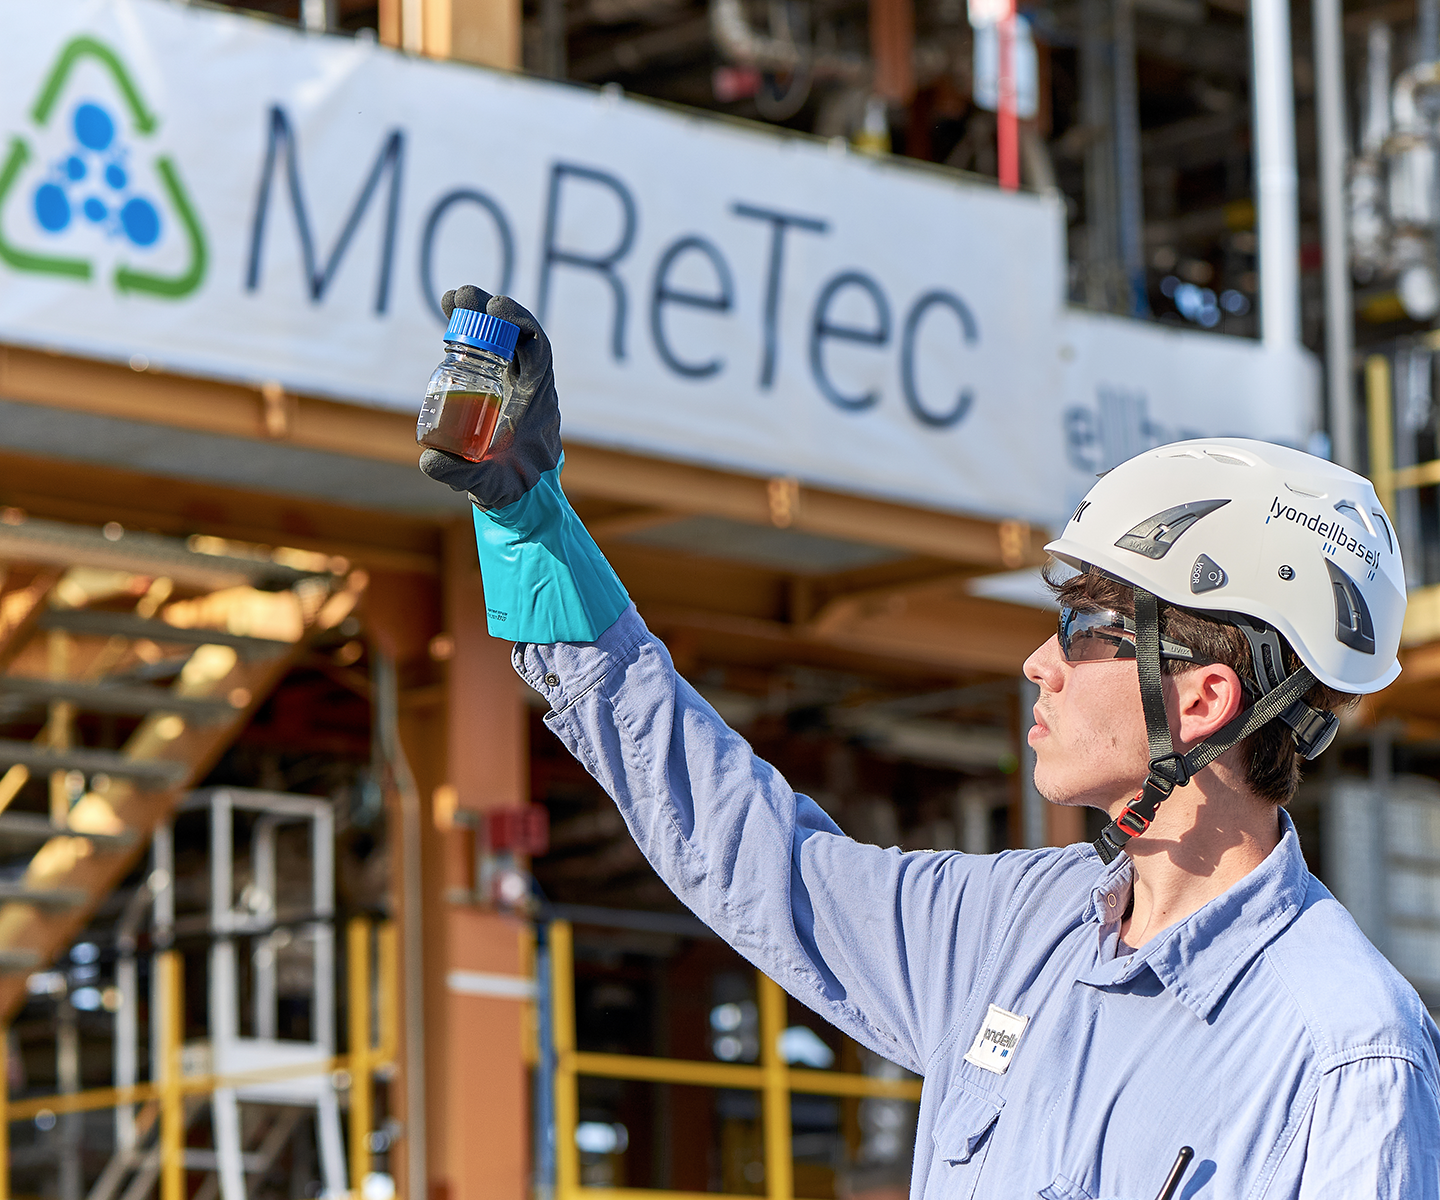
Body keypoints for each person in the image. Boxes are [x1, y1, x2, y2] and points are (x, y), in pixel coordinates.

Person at [421, 286, 1440, 1197]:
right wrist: (530, 523)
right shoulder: (1008, 931)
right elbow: (744, 846)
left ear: (1206, 699)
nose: (1039, 663)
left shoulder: (1347, 1056)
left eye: (1085, 630)